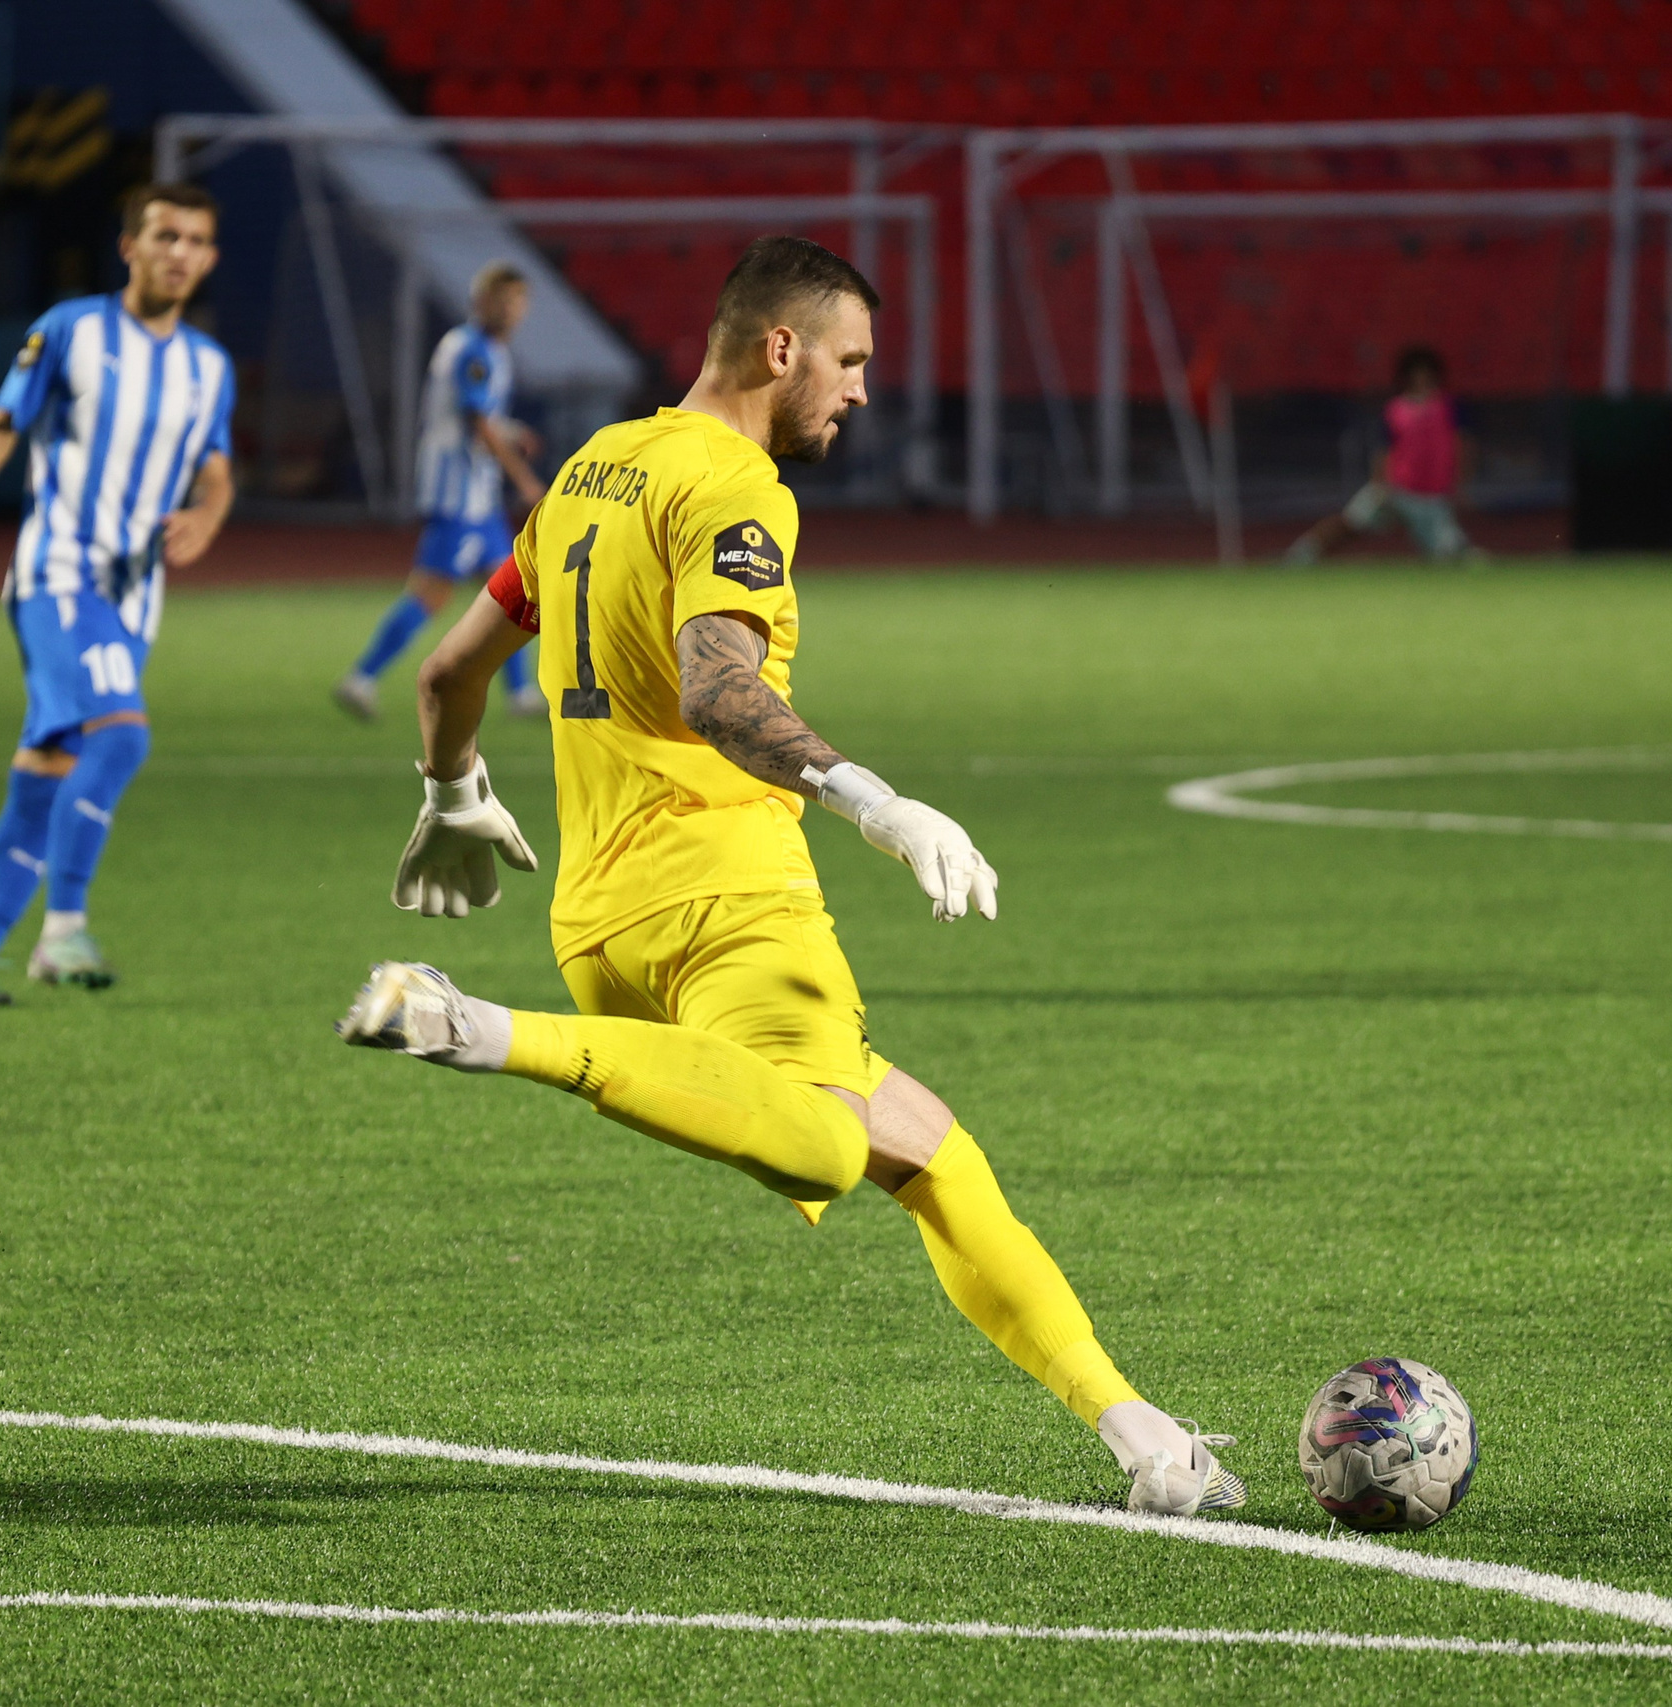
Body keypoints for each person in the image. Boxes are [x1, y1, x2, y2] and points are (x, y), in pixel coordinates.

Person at [333, 236, 1244, 1517]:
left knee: (925, 1153)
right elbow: (718, 687)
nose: (861, 390)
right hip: (729, 897)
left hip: (598, 920)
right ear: (781, 348)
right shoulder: (736, 487)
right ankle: (473, 1027)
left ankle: (1142, 1434)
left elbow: (445, 676)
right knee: (823, 1141)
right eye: (852, 359)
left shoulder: (590, 473)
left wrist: (449, 794)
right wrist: (878, 804)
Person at [0, 182, 237, 1005]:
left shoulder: (207, 367)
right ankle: (63, 928)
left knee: (48, 767)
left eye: (195, 241)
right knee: (121, 738)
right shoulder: (70, 330)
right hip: (59, 575)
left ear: (210, 259)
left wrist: (210, 517)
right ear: (130, 247)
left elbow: (215, 463)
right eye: (165, 236)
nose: (179, 253)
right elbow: (1, 427)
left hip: (135, 598)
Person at [335, 263, 548, 721]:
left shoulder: (485, 349)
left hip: (476, 496)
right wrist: (524, 479)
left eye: (518, 301)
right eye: (503, 300)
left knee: (515, 589)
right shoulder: (473, 350)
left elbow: (480, 419)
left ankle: (521, 692)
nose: (512, 310)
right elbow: (476, 425)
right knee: (433, 593)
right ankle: (362, 677)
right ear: (482, 301)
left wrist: (511, 431)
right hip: (459, 493)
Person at [1285, 345, 1478, 564]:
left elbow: (1463, 446)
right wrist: (1379, 483)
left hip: (1429, 495)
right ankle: (1301, 554)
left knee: (1449, 552)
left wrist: (1460, 483)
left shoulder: (1450, 407)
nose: (1421, 379)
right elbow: (1384, 450)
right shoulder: (1395, 409)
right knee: (1349, 522)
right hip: (1394, 488)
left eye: (1426, 373)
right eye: (1416, 373)